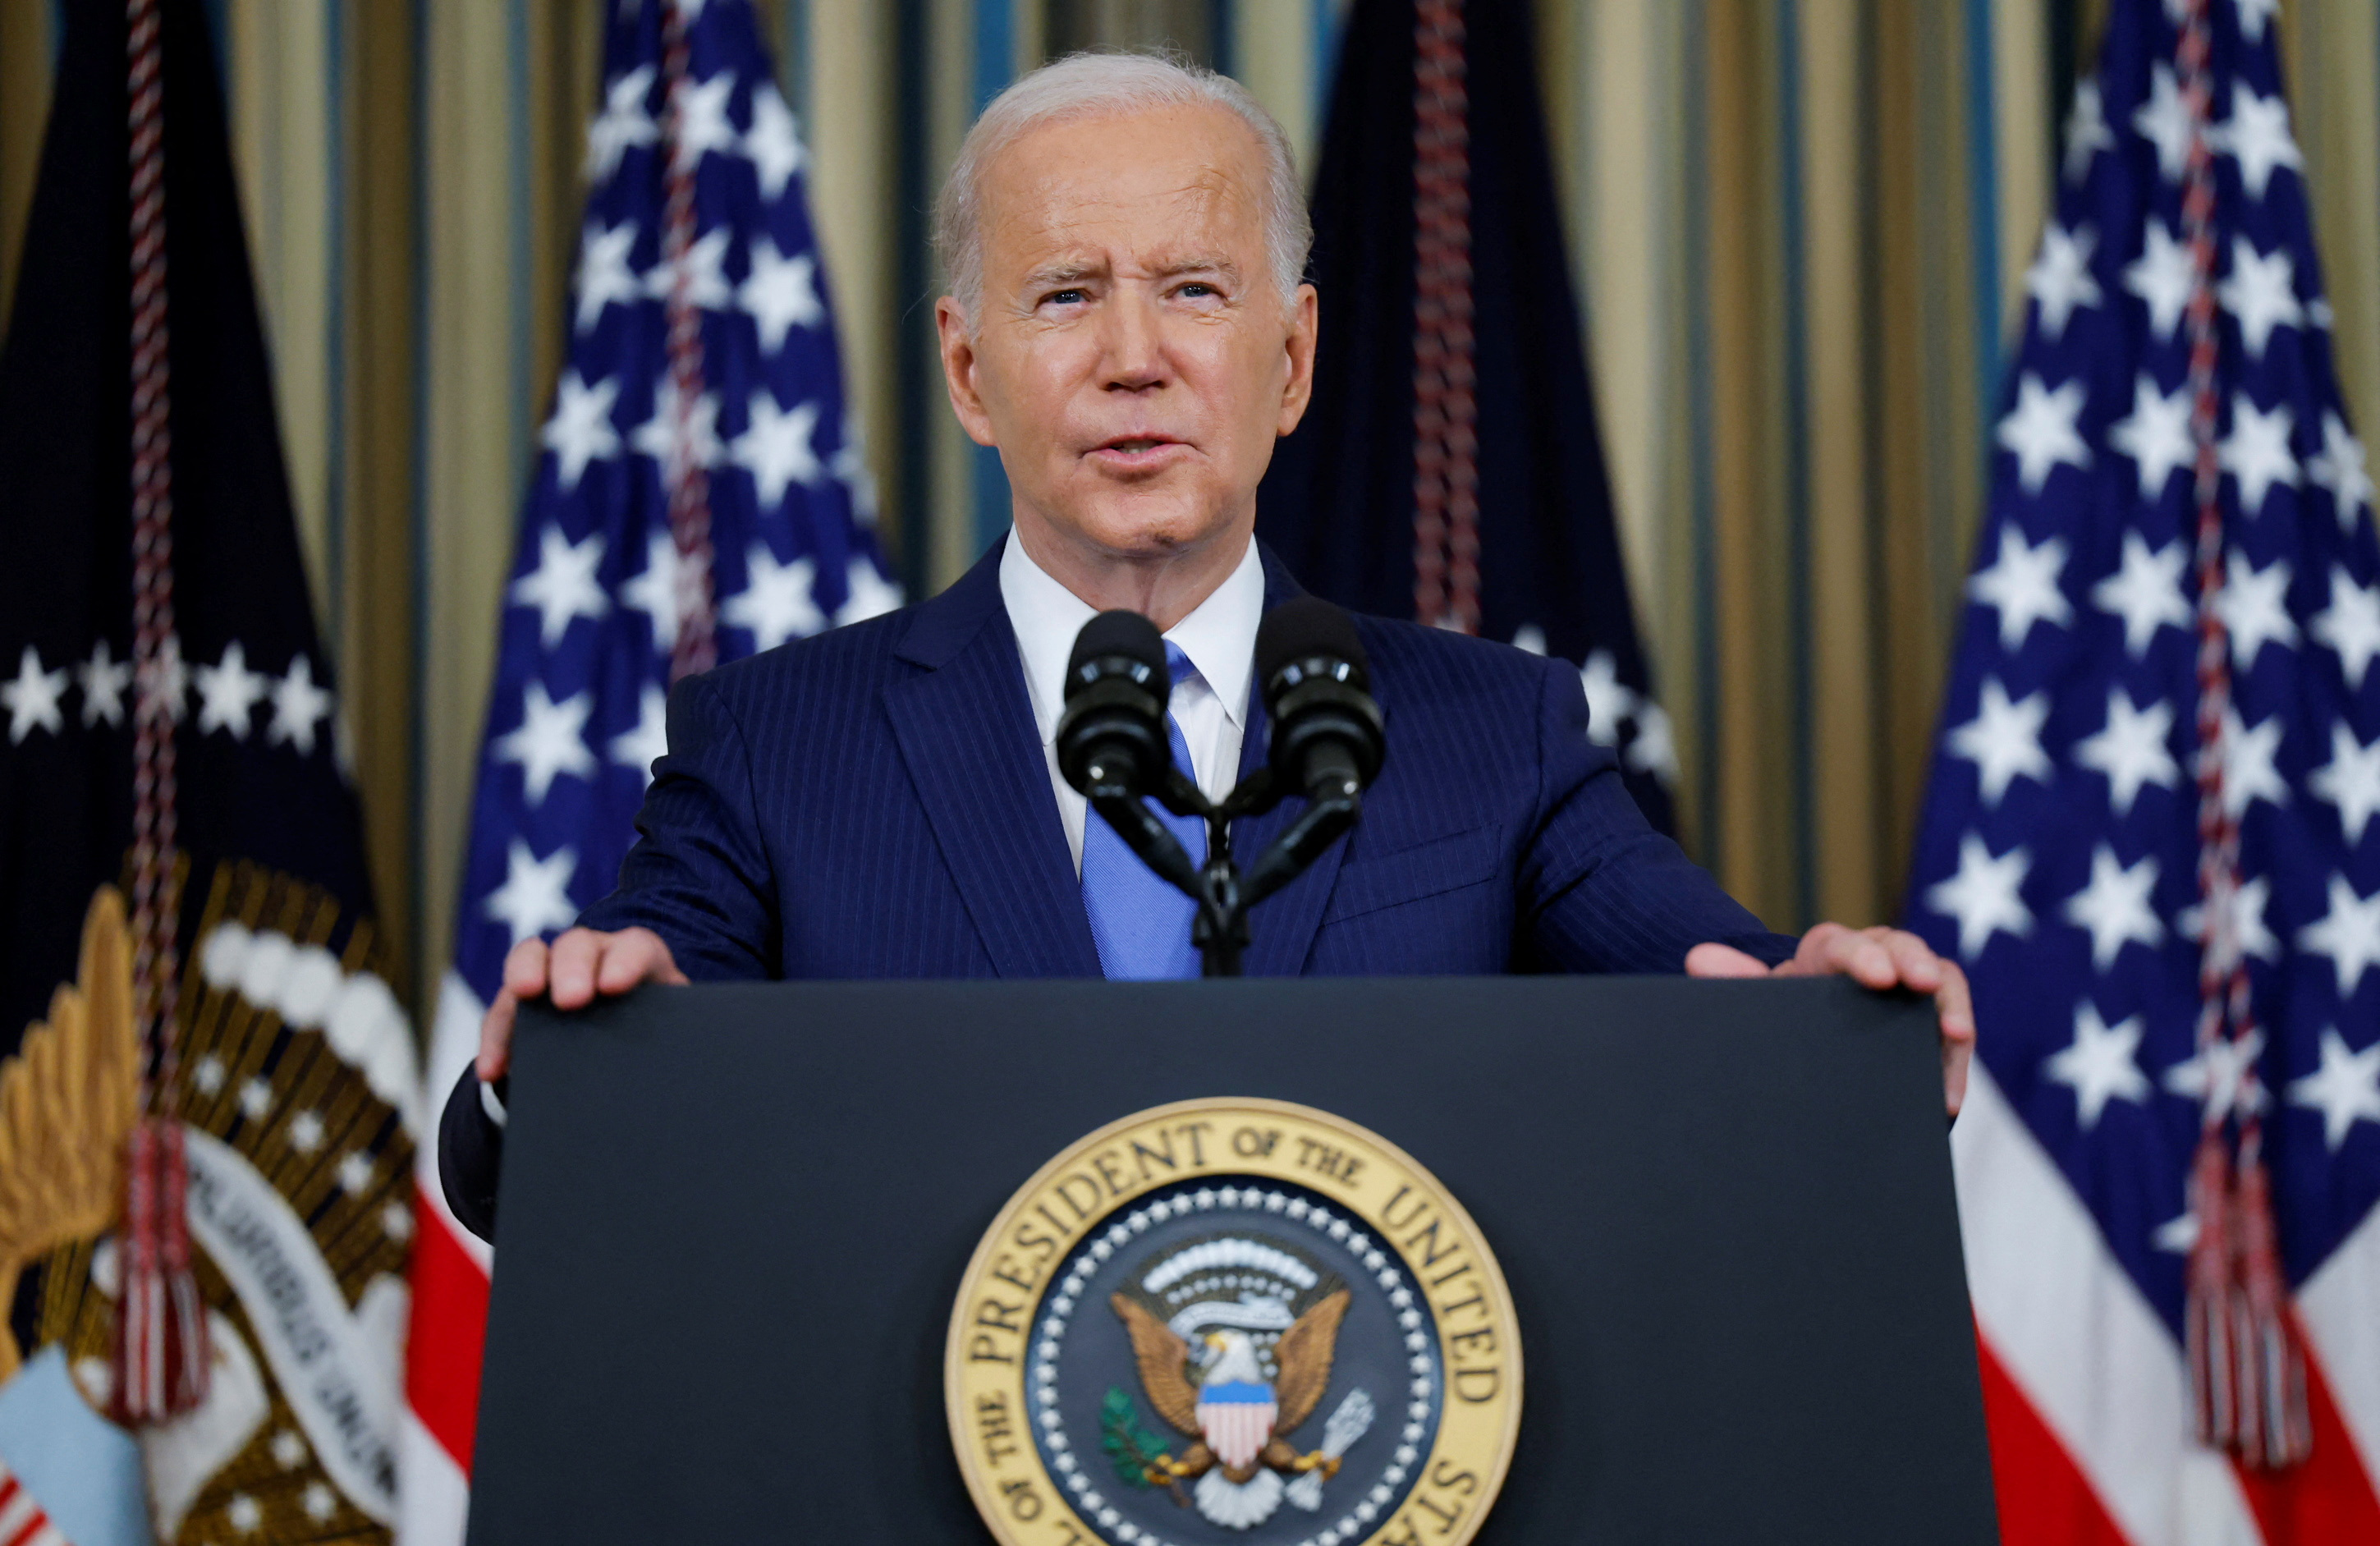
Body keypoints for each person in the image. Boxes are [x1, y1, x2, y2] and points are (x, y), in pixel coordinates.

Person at [439, 52, 1972, 1240]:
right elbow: (540, 1150)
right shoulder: (779, 743)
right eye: (1062, 297)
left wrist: (1815, 1009)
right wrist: (584, 1057)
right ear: (969, 372)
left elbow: (1705, 979)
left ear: (1291, 357)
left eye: (1193, 290)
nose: (1132, 360)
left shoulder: (1492, 733)